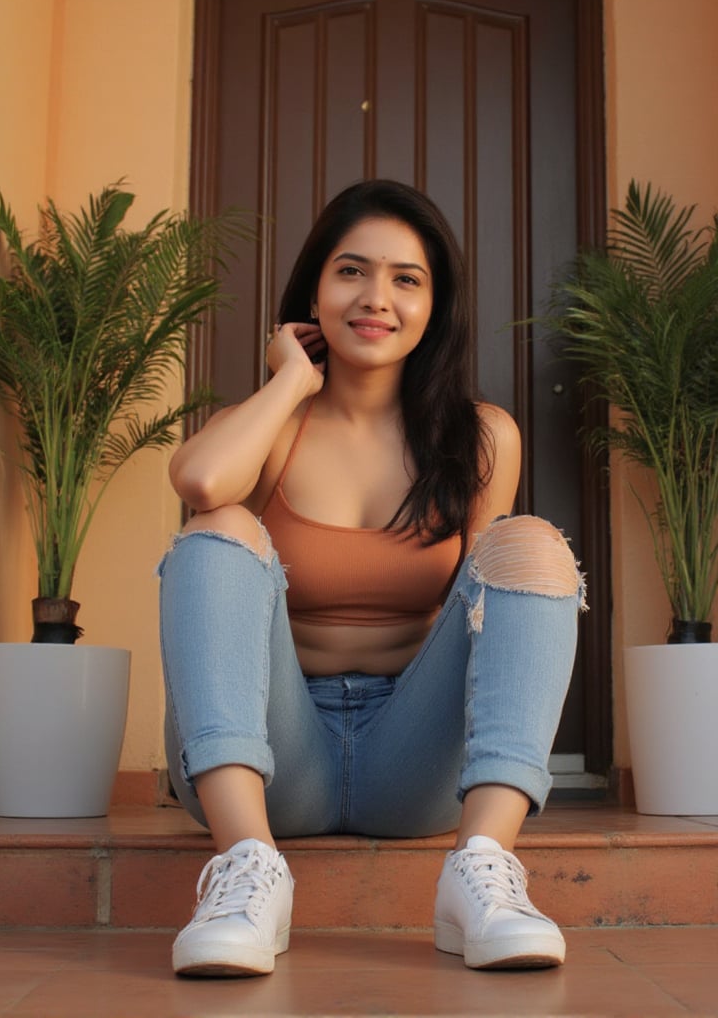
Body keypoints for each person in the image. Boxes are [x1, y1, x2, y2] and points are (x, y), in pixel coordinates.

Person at [157, 179, 586, 978]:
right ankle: (247, 869)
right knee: (215, 531)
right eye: (351, 272)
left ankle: (482, 870)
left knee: (528, 543)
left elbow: (491, 599)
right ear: (313, 290)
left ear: (435, 304)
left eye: (406, 279)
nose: (375, 298)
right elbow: (202, 481)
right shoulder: (275, 422)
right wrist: (289, 380)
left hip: (413, 762)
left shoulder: (482, 438)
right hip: (269, 760)